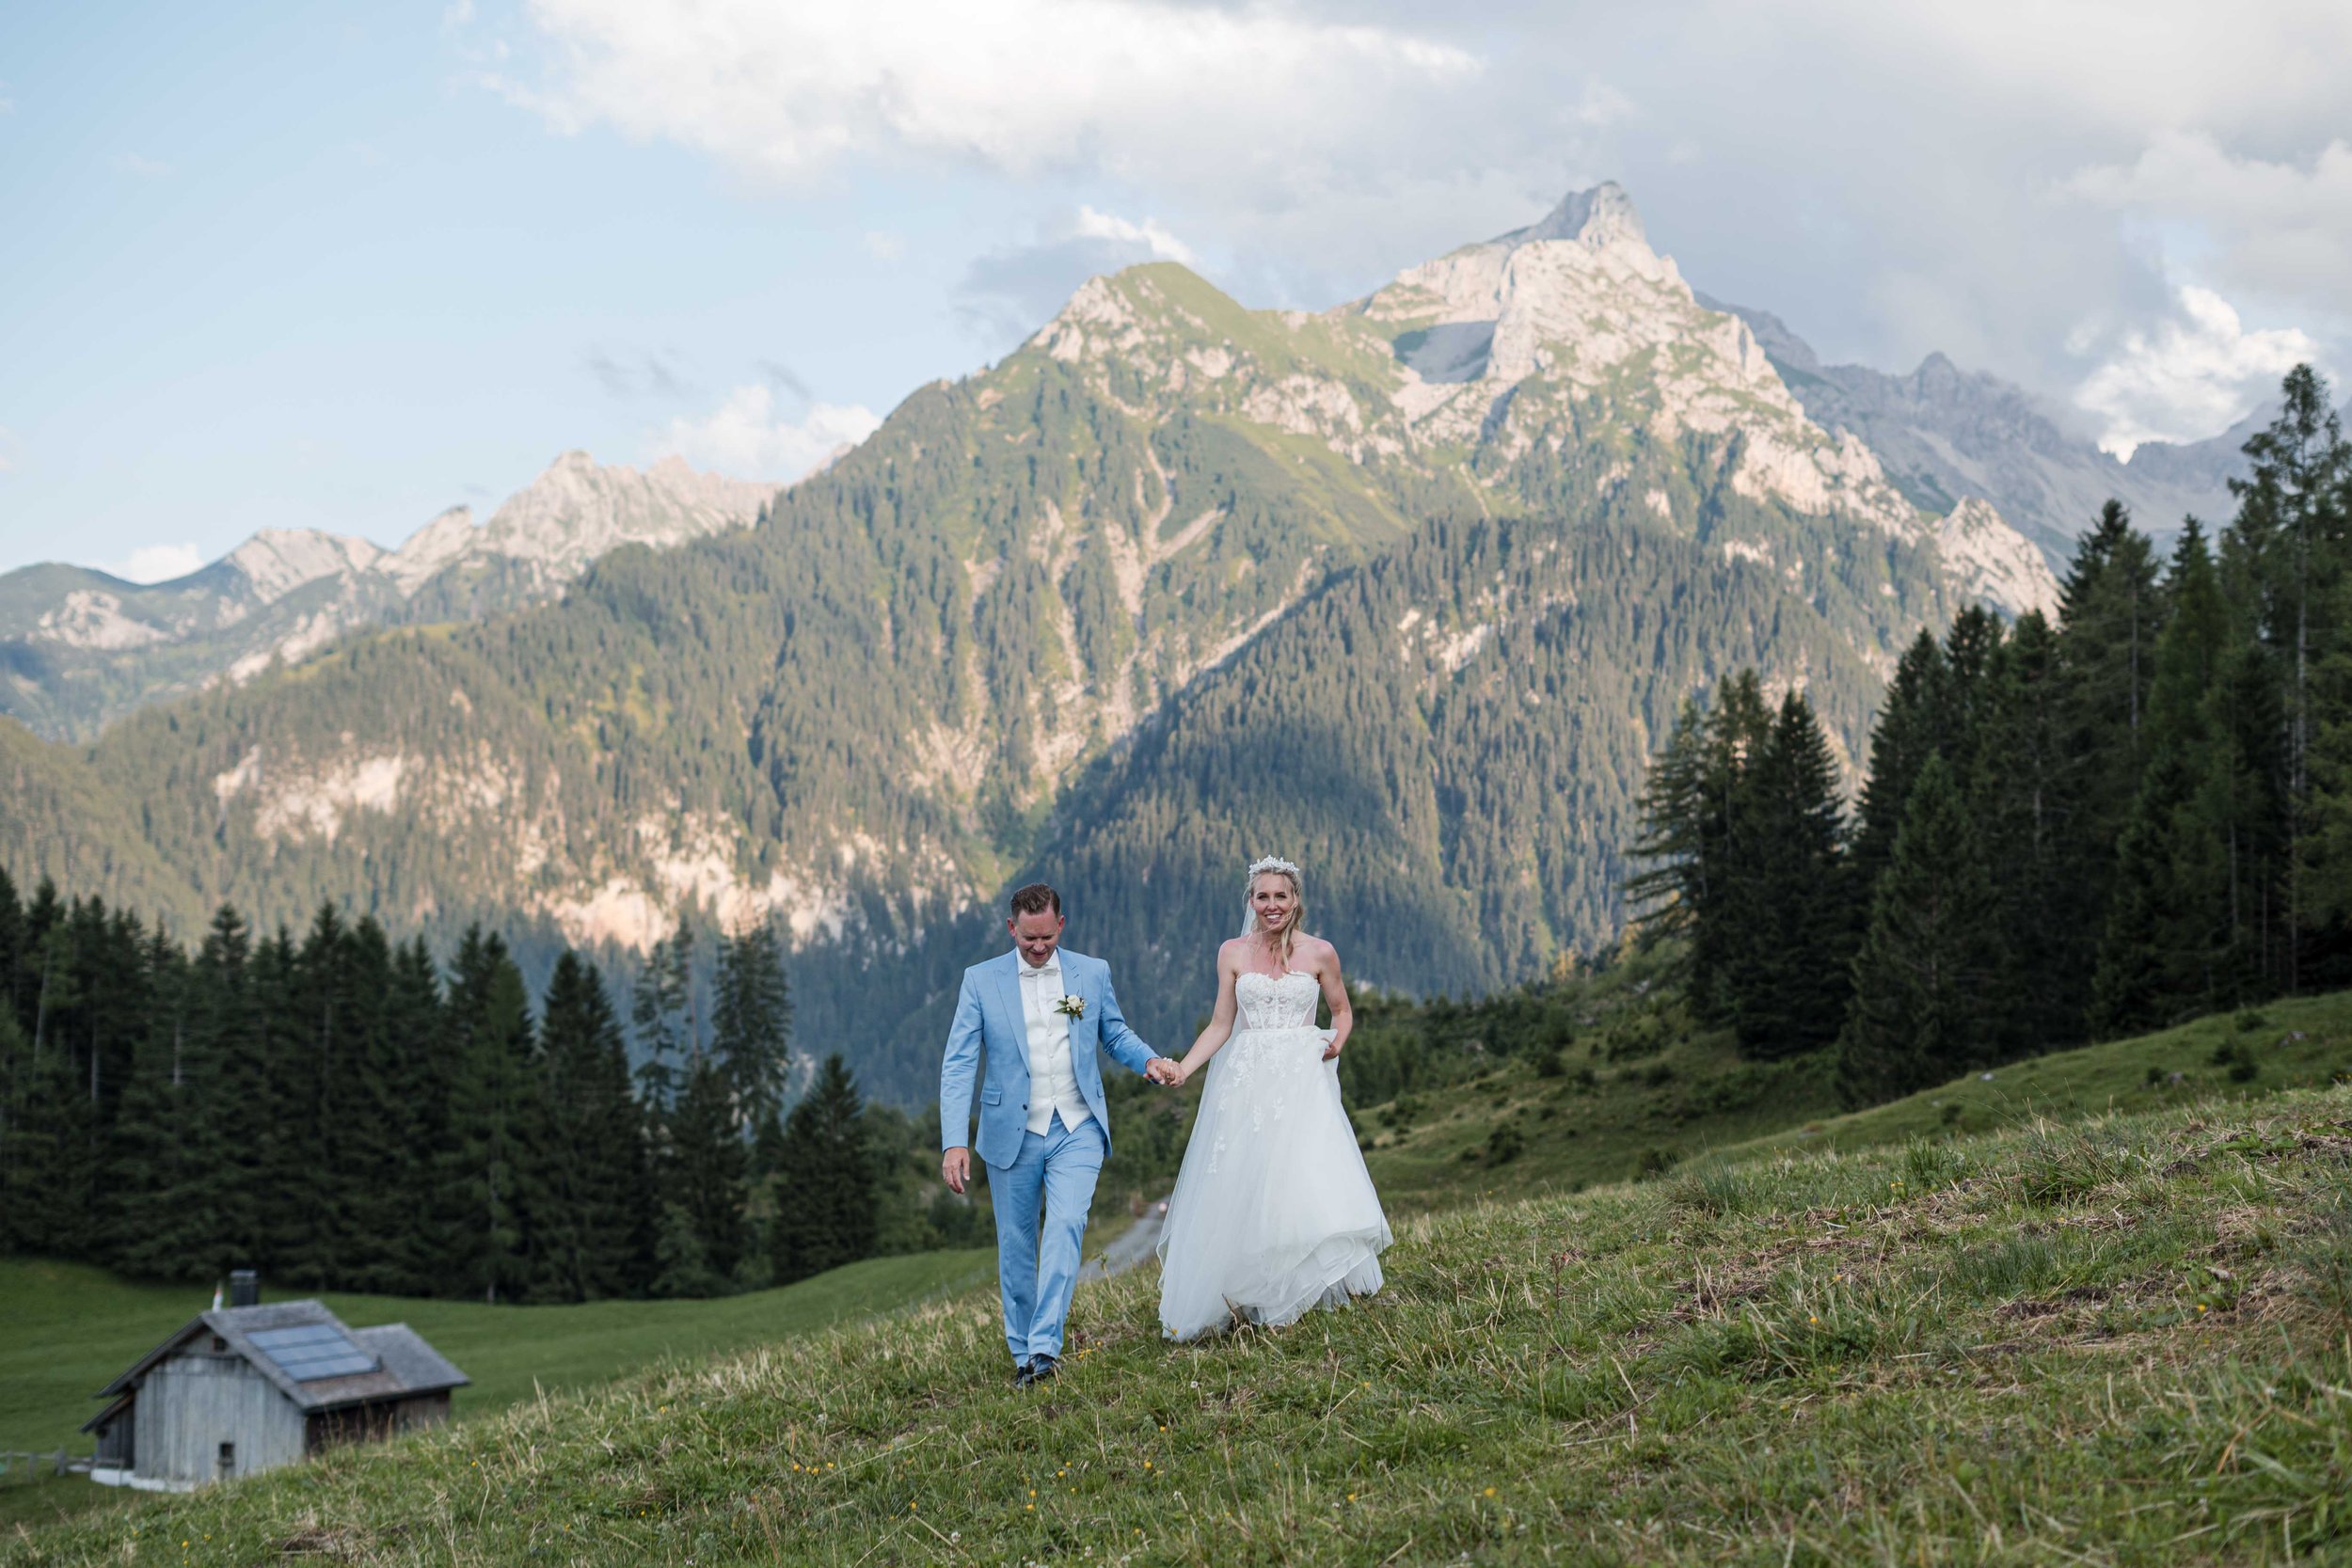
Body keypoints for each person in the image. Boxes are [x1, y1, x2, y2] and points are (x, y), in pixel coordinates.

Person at [939, 882, 1181, 1386]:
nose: (1038, 947)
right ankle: (1022, 1351)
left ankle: (1046, 1348)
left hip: (1078, 1125)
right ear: (1012, 929)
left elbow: (1112, 1033)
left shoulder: (1091, 972)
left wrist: (1149, 1060)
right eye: (1028, 939)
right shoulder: (980, 981)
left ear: (1061, 925)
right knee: (1016, 1243)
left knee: (1067, 1224)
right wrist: (954, 1141)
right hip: (1012, 1131)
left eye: (1047, 937)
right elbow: (959, 1063)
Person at [1155, 856, 1391, 1340]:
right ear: (1251, 901)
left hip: (1302, 1076)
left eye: (1280, 896)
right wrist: (1184, 1067)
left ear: (1295, 900)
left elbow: (1342, 1010)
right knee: (1247, 1177)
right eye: (1262, 896)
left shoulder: (1321, 952)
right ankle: (1249, 1288)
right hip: (1248, 1077)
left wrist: (1337, 1042)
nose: (1271, 905)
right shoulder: (1232, 954)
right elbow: (1222, 1024)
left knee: (1302, 1173)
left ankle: (1306, 1284)